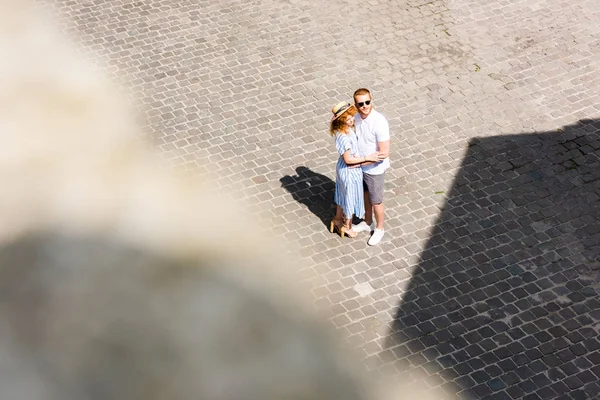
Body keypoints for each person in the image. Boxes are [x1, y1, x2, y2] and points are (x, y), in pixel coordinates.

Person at [329, 101, 381, 238]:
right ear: (341, 120)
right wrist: (367, 158)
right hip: (349, 171)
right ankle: (347, 226)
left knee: (342, 195)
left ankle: (337, 220)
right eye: (348, 118)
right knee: (349, 199)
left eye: (351, 116)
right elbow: (348, 159)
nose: (352, 119)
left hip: (343, 168)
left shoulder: (343, 131)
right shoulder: (344, 137)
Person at [351, 88, 390, 246]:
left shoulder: (379, 121)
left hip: (375, 169)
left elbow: (384, 152)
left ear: (371, 100)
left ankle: (379, 228)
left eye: (367, 102)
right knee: (365, 196)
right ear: (356, 105)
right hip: (361, 166)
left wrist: (361, 162)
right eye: (361, 104)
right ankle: (368, 222)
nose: (365, 106)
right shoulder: (356, 118)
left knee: (376, 201)